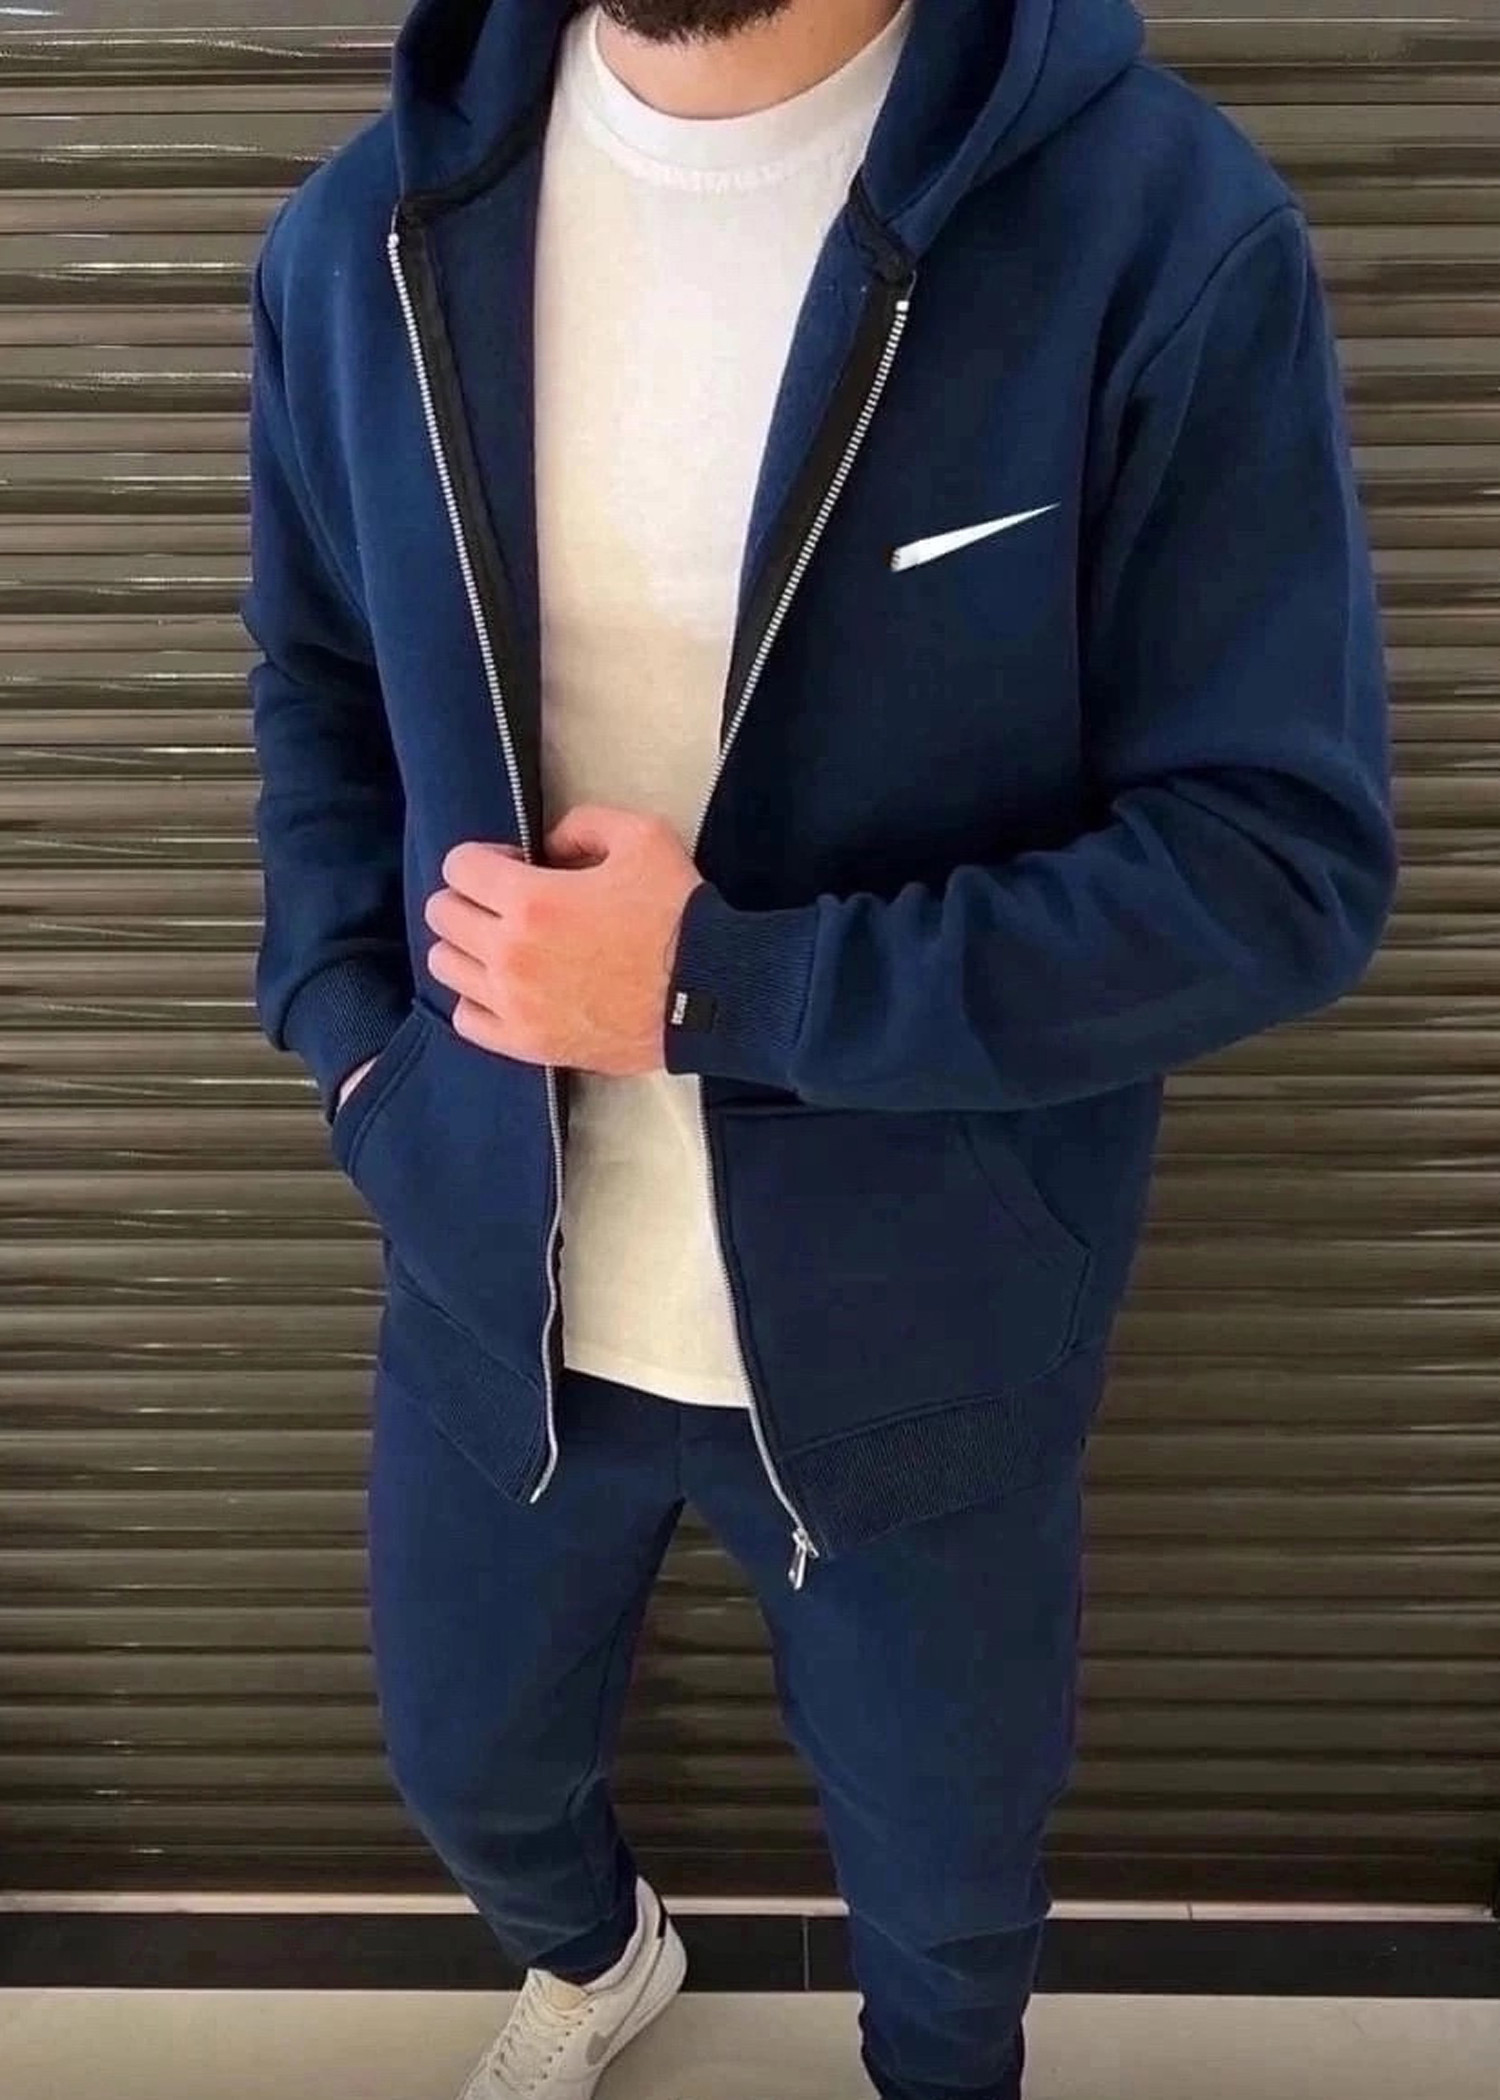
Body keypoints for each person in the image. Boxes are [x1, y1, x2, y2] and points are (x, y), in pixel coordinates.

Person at [242, 0, 1396, 2092]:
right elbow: (316, 690)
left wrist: (720, 988)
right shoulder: (364, 239)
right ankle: (597, 1964)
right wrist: (355, 1053)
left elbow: (1275, 866)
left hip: (933, 1323)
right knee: (465, 1769)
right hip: (496, 1282)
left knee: (949, 1895)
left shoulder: (1157, 227)